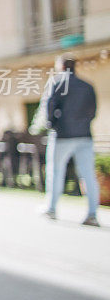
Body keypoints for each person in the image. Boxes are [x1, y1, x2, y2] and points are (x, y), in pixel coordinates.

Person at [41, 54, 99, 226]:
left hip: (63, 135)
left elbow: (49, 110)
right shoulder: (87, 86)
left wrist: (52, 125)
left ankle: (51, 209)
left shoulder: (56, 83)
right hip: (84, 135)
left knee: (56, 172)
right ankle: (92, 214)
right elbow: (93, 112)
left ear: (61, 66)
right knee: (88, 175)